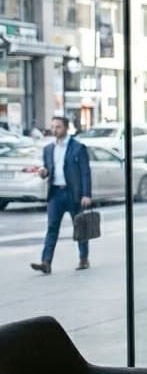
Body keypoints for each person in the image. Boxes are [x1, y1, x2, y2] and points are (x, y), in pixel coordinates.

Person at [31, 116, 92, 274]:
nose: (54, 130)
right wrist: (44, 173)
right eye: (53, 127)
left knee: (80, 227)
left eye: (58, 127)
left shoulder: (78, 148)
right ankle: (46, 262)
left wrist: (86, 194)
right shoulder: (48, 149)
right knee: (52, 228)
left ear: (66, 128)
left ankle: (83, 258)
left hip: (73, 193)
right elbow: (49, 169)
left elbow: (85, 172)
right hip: (56, 193)